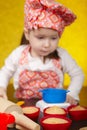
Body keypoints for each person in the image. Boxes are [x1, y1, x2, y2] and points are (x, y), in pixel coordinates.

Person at [0, 0, 84, 105]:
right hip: (24, 105)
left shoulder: (62, 55)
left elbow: (78, 74)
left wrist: (72, 93)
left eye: (53, 38)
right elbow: (5, 72)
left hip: (54, 105)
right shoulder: (19, 54)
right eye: (40, 37)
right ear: (27, 34)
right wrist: (1, 87)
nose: (47, 44)